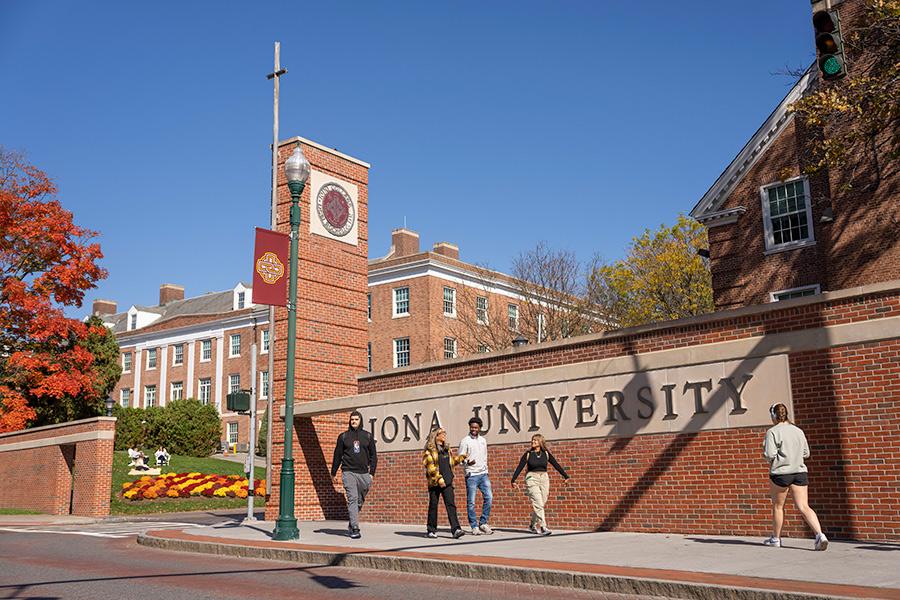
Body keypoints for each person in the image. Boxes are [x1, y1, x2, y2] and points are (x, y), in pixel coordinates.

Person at [763, 403, 828, 551]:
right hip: (799, 472)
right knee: (804, 506)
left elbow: (769, 454)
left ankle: (776, 539)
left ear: (774, 415)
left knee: (778, 507)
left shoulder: (772, 432)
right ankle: (820, 535)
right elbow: (806, 453)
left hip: (781, 473)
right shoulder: (799, 431)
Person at [331, 410, 377, 539]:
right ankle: (355, 527)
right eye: (352, 419)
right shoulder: (344, 437)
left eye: (356, 419)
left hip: (364, 474)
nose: (354, 421)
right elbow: (337, 455)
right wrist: (333, 472)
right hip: (348, 472)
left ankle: (352, 522)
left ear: (360, 420)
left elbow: (374, 456)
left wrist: (371, 473)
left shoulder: (367, 436)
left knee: (359, 500)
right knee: (352, 498)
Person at [511, 434, 570, 535]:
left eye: (535, 441)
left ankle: (532, 525)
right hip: (531, 478)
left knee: (541, 503)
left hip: (544, 478)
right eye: (532, 440)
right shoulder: (528, 454)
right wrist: (513, 480)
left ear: (541, 442)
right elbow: (520, 467)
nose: (533, 442)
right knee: (538, 502)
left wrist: (565, 476)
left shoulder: (546, 454)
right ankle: (543, 527)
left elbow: (556, 464)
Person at [423, 427, 467, 539]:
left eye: (444, 433)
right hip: (435, 483)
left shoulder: (447, 449)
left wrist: (461, 458)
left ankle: (456, 529)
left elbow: (451, 463)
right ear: (436, 436)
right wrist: (439, 479)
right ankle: (431, 530)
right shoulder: (429, 450)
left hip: (447, 481)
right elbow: (430, 468)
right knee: (433, 505)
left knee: (451, 505)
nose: (444, 435)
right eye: (441, 433)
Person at [458, 416, 493, 535]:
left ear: (480, 428)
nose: (474, 429)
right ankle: (474, 526)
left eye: (476, 427)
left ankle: (483, 523)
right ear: (470, 427)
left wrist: (486, 469)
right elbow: (460, 459)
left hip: (483, 474)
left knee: (489, 498)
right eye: (472, 427)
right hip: (471, 475)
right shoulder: (465, 441)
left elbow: (484, 456)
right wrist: (467, 462)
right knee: (471, 502)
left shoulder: (483, 440)